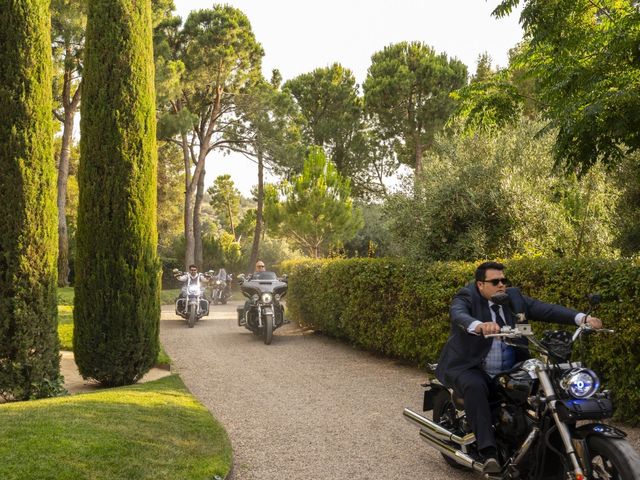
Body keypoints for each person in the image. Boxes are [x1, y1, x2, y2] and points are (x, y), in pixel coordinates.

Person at [434, 261, 602, 474]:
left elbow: (546, 310)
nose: (502, 285)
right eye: (495, 281)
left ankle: (538, 444)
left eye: (504, 280)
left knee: (548, 386)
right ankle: (489, 453)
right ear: (480, 285)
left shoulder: (513, 298)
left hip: (510, 368)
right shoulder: (466, 296)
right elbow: (459, 314)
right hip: (471, 366)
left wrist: (581, 318)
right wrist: (478, 325)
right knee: (475, 387)